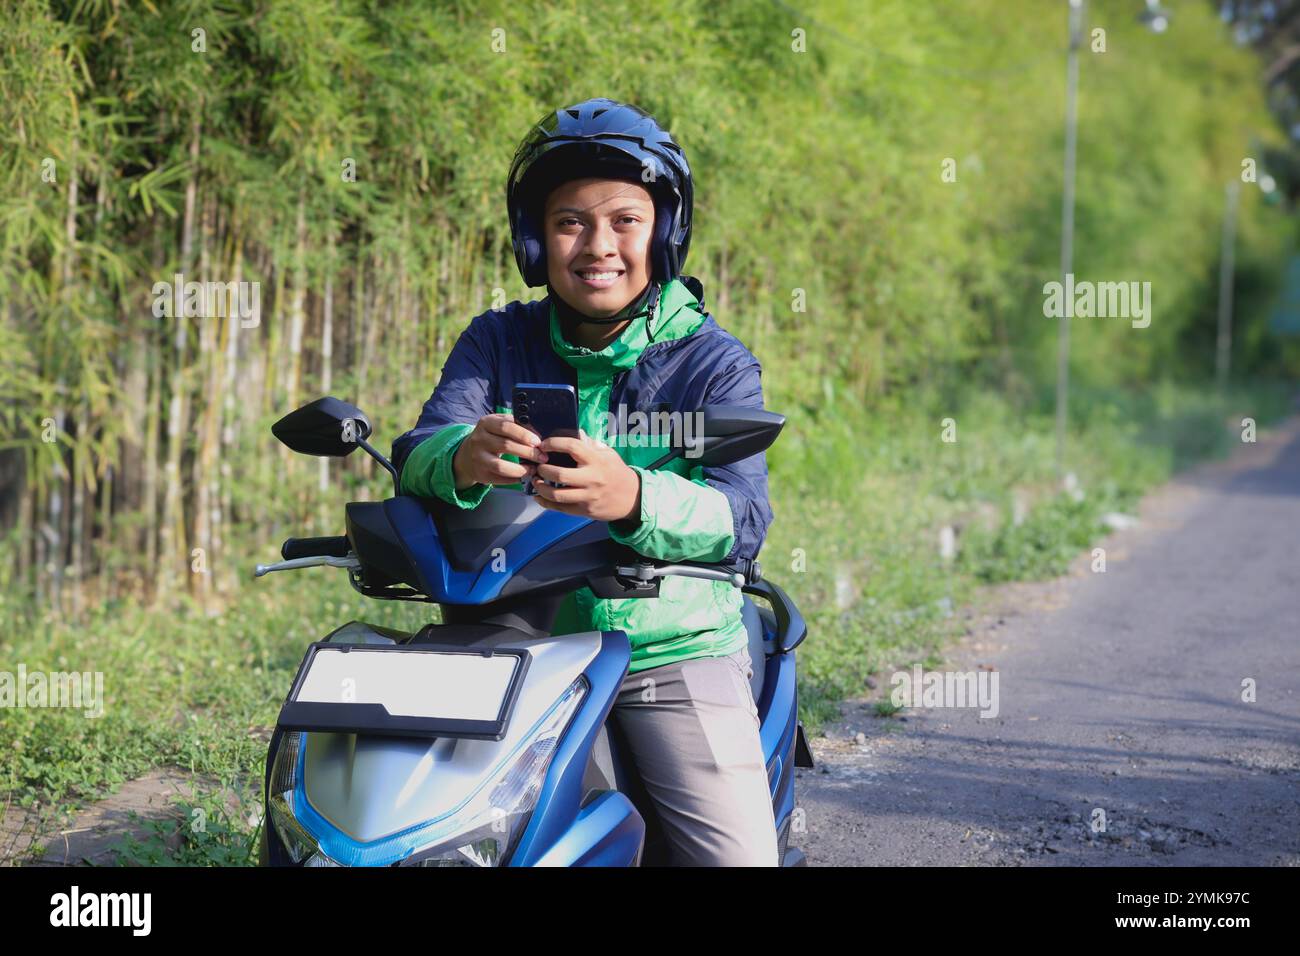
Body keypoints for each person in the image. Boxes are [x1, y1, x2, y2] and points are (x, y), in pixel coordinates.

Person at [391, 98, 779, 866]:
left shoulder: (713, 361)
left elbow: (741, 516)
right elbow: (419, 449)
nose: (598, 245)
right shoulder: (497, 340)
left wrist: (634, 497)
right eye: (570, 221)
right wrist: (460, 457)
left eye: (625, 221)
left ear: (665, 233)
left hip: (666, 650)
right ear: (537, 239)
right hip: (516, 636)